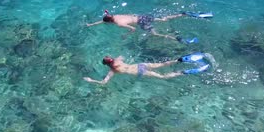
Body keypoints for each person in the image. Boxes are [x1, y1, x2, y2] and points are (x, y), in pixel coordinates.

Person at [83, 52, 216, 85]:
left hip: (139, 71)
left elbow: (104, 82)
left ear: (107, 65)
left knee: (163, 77)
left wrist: (90, 80)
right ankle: (182, 59)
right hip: (141, 64)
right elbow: (122, 55)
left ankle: (184, 71)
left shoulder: (113, 71)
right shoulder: (118, 60)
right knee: (162, 64)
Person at [86, 10, 198, 43]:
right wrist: (91, 24)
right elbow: (104, 20)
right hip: (142, 16)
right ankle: (182, 14)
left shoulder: (119, 24)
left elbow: (133, 29)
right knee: (163, 19)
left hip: (141, 23)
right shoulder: (115, 16)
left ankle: (177, 39)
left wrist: (126, 34)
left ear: (110, 22)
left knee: (154, 34)